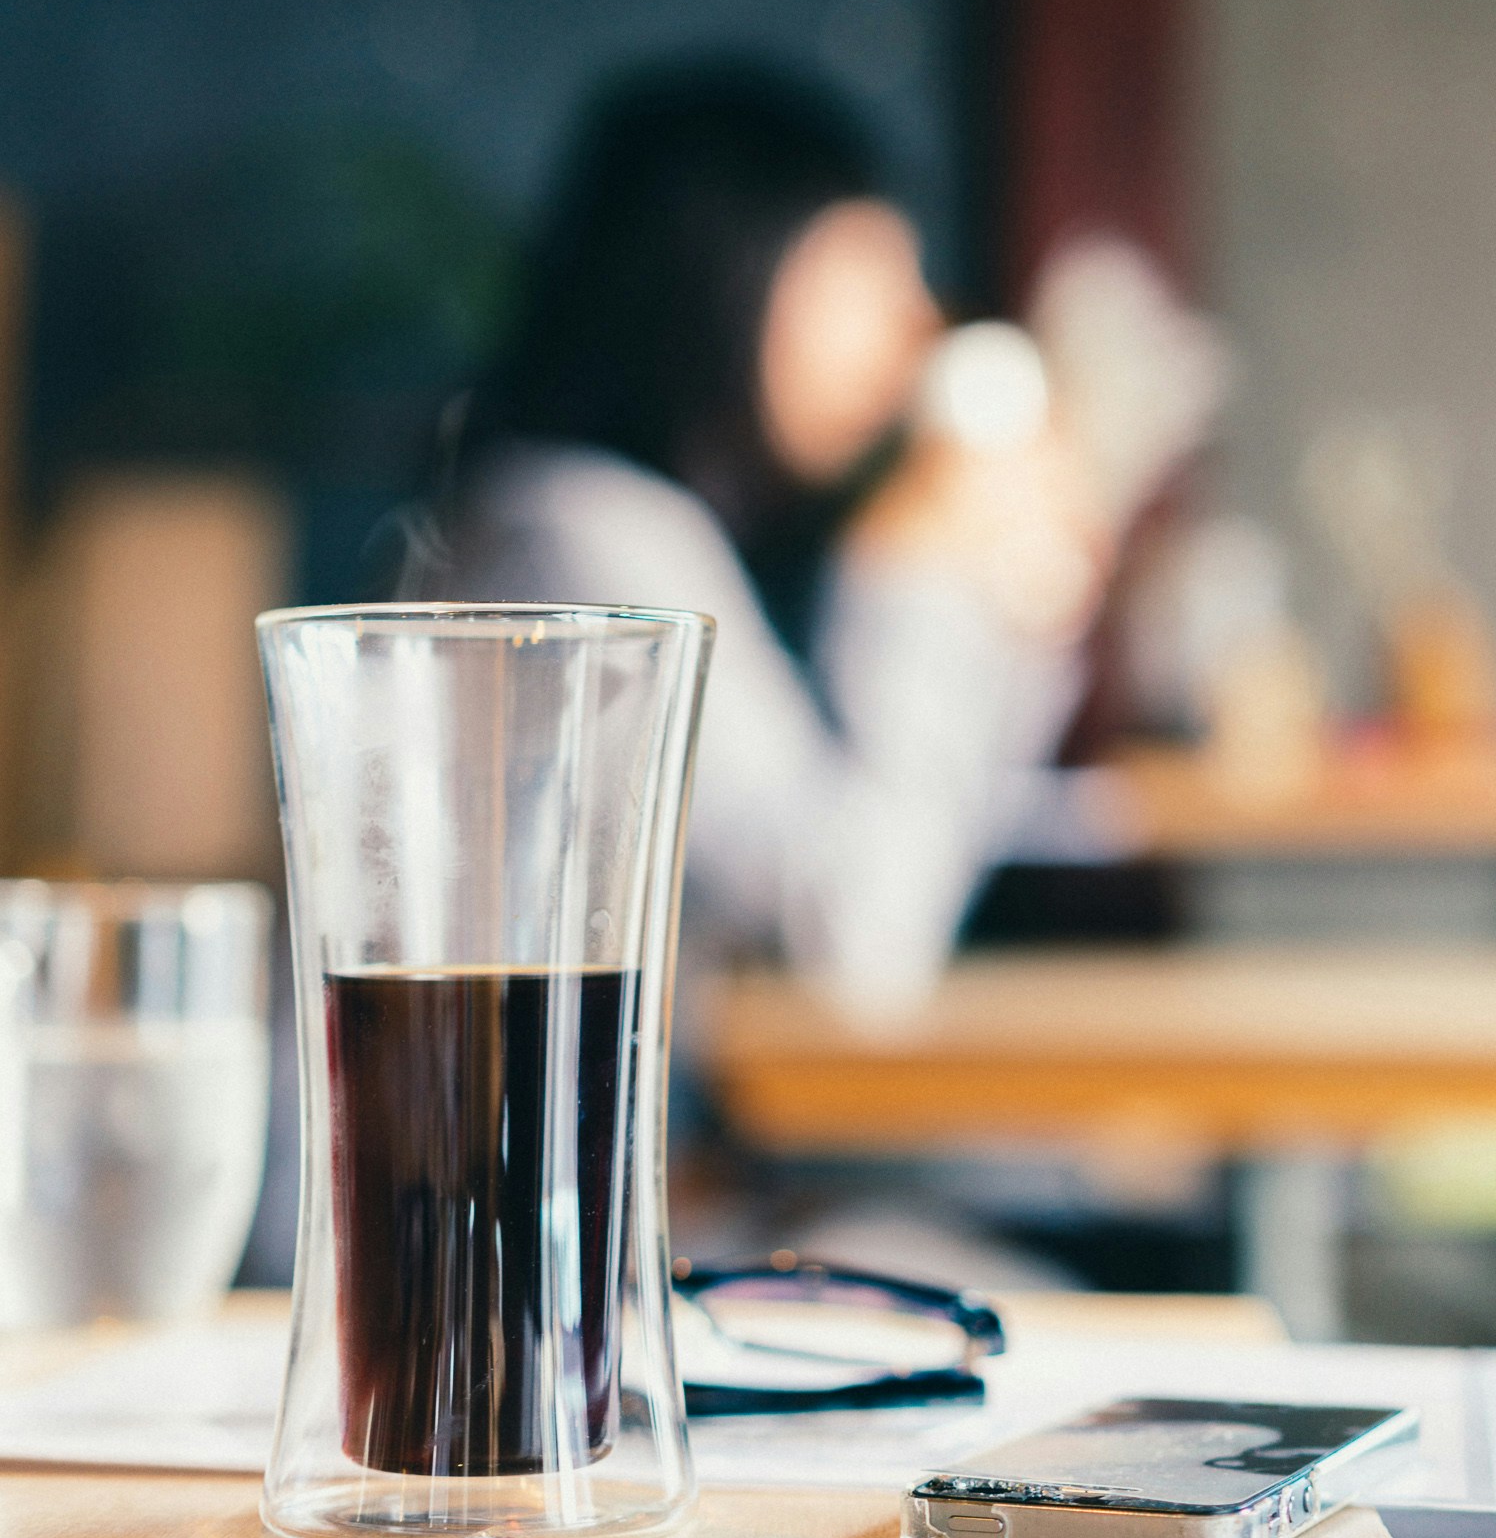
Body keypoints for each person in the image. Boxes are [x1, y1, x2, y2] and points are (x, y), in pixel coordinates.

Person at [411, 58, 1111, 1019]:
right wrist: (917, 575)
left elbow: (926, 854)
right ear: (723, 275)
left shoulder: (590, 519)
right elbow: (861, 946)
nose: (912, 328)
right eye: (864, 276)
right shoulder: (582, 538)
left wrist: (1015, 600)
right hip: (469, 1153)